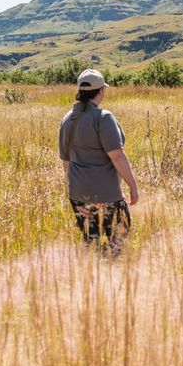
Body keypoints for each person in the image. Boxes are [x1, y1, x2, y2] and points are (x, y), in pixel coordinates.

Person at [58, 69, 139, 254]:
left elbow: (66, 163)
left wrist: (79, 187)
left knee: (90, 243)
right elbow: (117, 156)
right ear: (101, 91)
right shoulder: (103, 118)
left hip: (77, 195)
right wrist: (133, 187)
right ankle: (111, 277)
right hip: (107, 195)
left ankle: (90, 277)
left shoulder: (67, 119)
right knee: (117, 244)